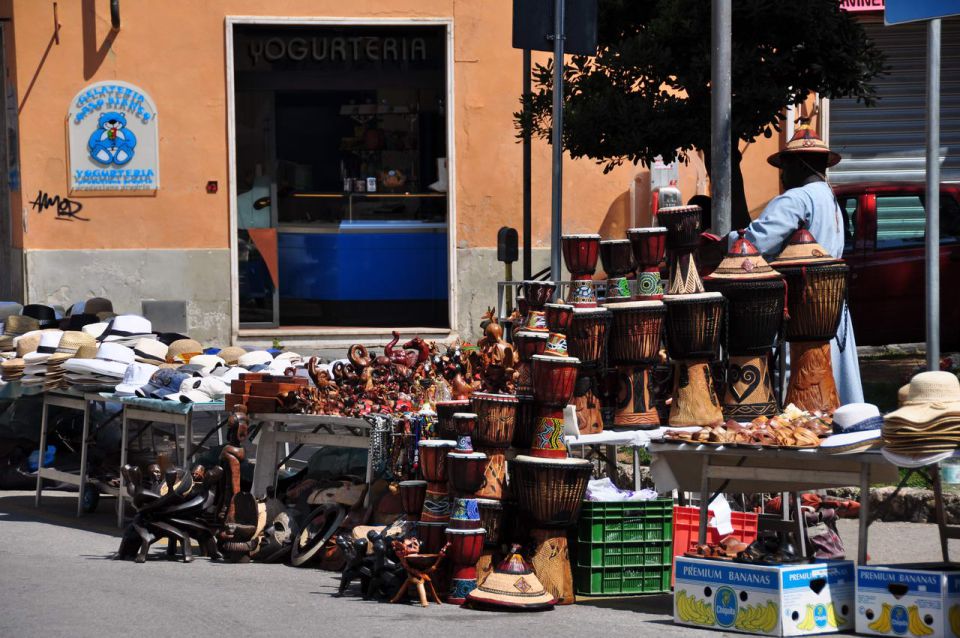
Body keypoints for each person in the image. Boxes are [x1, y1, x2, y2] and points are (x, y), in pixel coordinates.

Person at [729, 126, 864, 404]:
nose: (782, 174)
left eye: (785, 165)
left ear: (799, 164)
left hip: (801, 309)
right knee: (831, 380)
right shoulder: (829, 198)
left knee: (799, 385)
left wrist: (723, 242)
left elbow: (758, 242)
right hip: (829, 307)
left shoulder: (797, 198)